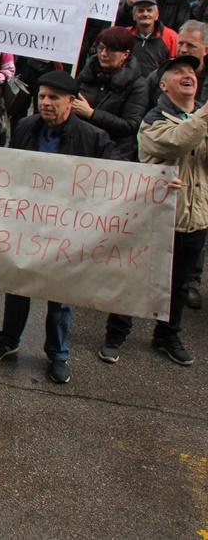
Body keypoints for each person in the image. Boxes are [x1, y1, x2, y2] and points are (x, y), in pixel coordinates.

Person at [0, 71, 116, 384]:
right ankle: (9, 340)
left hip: (66, 227)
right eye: (41, 96)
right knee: (17, 284)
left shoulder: (91, 137)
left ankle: (58, 354)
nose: (45, 102)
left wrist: (157, 186)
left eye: (54, 97)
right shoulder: (27, 127)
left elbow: (119, 172)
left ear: (71, 102)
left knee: (60, 293)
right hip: (27, 223)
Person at [100, 55, 208, 366]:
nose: (188, 75)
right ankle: (117, 333)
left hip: (193, 216)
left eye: (191, 71)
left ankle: (167, 334)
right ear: (163, 85)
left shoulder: (200, 118)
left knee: (179, 282)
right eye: (178, 72)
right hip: (157, 216)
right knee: (136, 277)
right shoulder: (154, 120)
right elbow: (176, 143)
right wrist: (203, 116)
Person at [73, 26, 147, 161]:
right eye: (101, 48)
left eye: (111, 50)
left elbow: (130, 125)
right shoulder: (87, 74)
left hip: (114, 152)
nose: (103, 54)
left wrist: (92, 114)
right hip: (80, 144)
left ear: (125, 54)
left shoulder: (138, 85)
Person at [129, 0, 179, 77]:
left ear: (157, 15)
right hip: (130, 85)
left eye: (149, 10)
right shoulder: (126, 34)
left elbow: (174, 67)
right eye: (141, 10)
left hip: (157, 86)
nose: (145, 14)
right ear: (134, 16)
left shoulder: (171, 37)